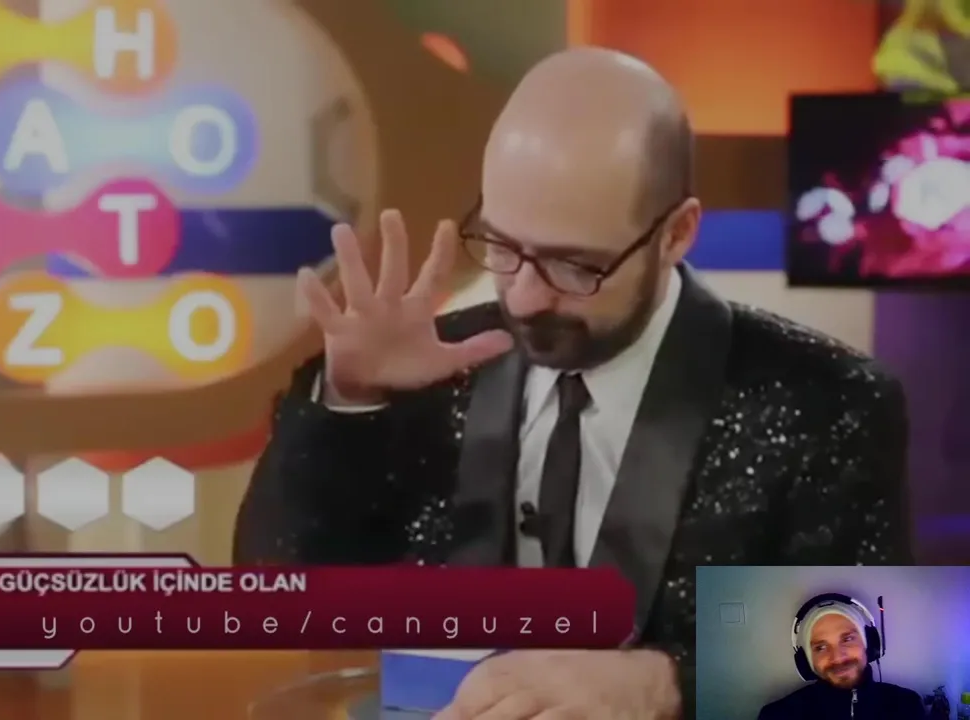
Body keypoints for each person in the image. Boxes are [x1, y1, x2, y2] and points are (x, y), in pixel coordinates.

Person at [233, 47, 914, 719]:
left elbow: (893, 666)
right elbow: (275, 599)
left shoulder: (829, 401)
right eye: (502, 247)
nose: (525, 298)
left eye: (574, 265)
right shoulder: (426, 364)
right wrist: (350, 406)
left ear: (676, 234)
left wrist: (669, 682)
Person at [757, 597, 924, 719]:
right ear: (807, 661)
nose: (837, 657)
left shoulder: (908, 706)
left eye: (847, 639)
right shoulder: (777, 715)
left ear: (869, 644)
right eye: (820, 647)